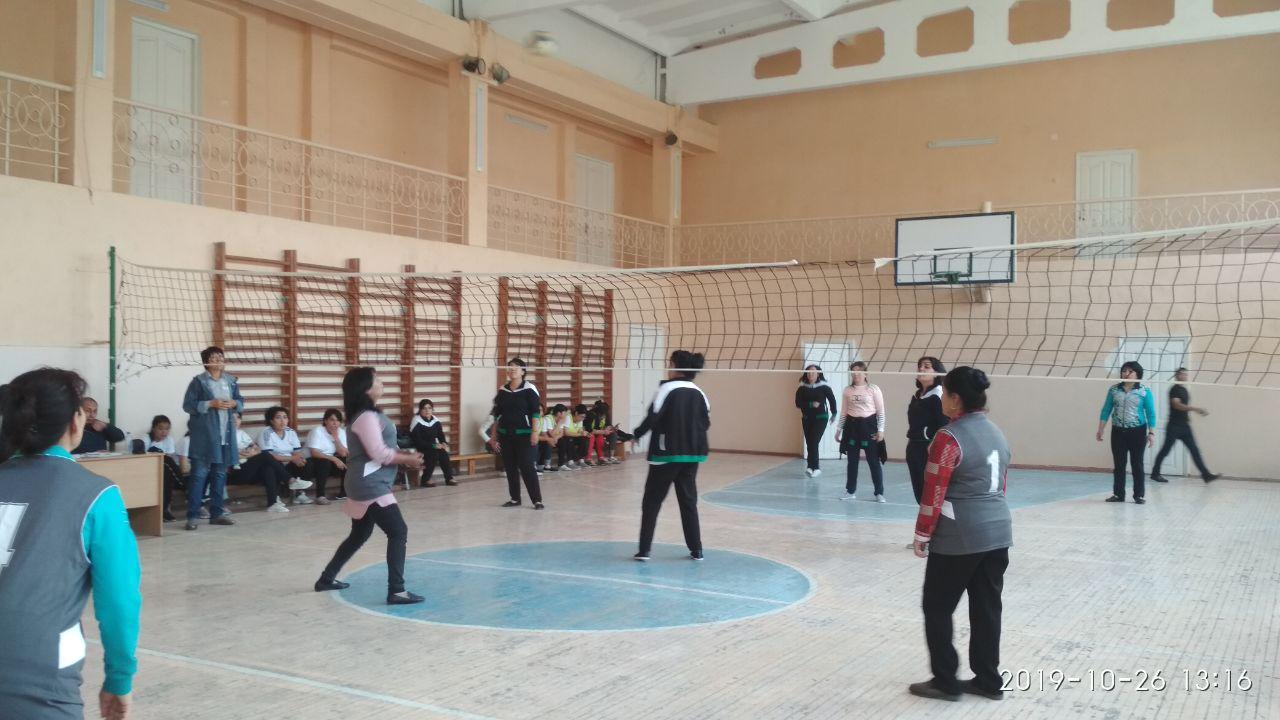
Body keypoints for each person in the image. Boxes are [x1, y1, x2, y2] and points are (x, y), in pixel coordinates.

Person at [0, 368, 142, 719]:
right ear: (75, 421)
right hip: (37, 685)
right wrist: (119, 679)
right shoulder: (96, 495)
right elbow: (119, 601)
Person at [909, 366, 1011, 703]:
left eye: (944, 392)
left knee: (937, 607)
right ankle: (988, 680)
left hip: (960, 536)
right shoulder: (997, 432)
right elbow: (1002, 484)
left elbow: (933, 490)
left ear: (955, 399)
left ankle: (945, 682)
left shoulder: (948, 437)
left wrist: (922, 534)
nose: (941, 398)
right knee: (987, 609)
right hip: (998, 531)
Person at [314, 367, 426, 605]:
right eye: (377, 379)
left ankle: (326, 579)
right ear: (364, 388)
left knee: (359, 534)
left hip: (366, 481)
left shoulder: (368, 415)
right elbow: (378, 453)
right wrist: (405, 459)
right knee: (398, 531)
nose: (381, 382)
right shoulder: (365, 417)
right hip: (370, 484)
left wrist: (404, 457)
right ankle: (397, 590)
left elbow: (383, 448)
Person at [633, 350, 711, 562]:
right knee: (688, 502)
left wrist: (636, 434)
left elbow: (652, 417)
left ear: (676, 366)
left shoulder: (666, 388)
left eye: (670, 364)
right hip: (692, 456)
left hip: (666, 455)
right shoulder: (700, 392)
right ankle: (697, 550)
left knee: (652, 502)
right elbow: (706, 422)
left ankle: (644, 550)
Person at [181, 346, 244, 531]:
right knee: (199, 476)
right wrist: (211, 404)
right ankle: (192, 516)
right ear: (206, 362)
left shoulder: (231, 381)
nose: (218, 361)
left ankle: (217, 514)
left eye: (220, 357)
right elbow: (188, 405)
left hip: (225, 435)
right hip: (205, 437)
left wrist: (234, 403)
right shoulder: (198, 382)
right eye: (214, 358)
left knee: (220, 475)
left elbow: (241, 401)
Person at [1097, 360, 1157, 505]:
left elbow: (1151, 413)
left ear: (1137, 374)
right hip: (1118, 431)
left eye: (1130, 371)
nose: (1126, 373)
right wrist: (1101, 428)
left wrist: (1151, 433)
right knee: (1119, 464)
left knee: (1137, 464)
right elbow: (1106, 410)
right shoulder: (1114, 390)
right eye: (1124, 371)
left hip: (1137, 431)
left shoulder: (1144, 391)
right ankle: (1118, 494)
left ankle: (1139, 495)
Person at [490, 358, 544, 508]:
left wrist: (535, 432)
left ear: (523, 371)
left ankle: (537, 500)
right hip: (505, 435)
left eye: (516, 366)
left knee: (527, 467)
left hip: (524, 435)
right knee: (510, 467)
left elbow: (535, 412)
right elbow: (496, 415)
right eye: (510, 367)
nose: (513, 369)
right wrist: (493, 436)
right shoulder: (503, 390)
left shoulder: (529, 389)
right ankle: (515, 499)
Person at [1150, 367, 1220, 484]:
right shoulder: (1174, 389)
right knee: (1165, 450)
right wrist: (1195, 409)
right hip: (1174, 426)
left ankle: (1206, 475)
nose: (1184, 376)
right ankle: (1155, 473)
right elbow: (1176, 405)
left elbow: (1183, 407)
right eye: (1182, 374)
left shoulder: (1184, 390)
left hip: (1185, 426)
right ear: (1177, 375)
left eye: (1186, 374)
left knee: (1194, 450)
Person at [239, 406, 312, 512]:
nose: (283, 420)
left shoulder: (290, 431)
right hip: (276, 463)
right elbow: (269, 456)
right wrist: (292, 458)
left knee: (306, 463)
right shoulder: (266, 433)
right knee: (271, 466)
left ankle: (299, 494)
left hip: (288, 462)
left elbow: (297, 451)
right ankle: (276, 497)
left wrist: (298, 459)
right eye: (278, 417)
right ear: (271, 420)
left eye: (285, 417)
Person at [835, 361, 886, 502]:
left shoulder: (873, 389)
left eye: (859, 371)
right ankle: (850, 491)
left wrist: (881, 430)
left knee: (873, 461)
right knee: (852, 462)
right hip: (852, 428)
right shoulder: (847, 390)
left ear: (865, 373)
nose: (856, 374)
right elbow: (844, 412)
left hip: (869, 427)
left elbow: (881, 412)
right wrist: (838, 430)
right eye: (853, 371)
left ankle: (879, 493)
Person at [906, 356, 948, 504]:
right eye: (920, 366)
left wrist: (934, 443)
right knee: (920, 493)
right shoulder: (918, 395)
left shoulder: (938, 395)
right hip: (914, 447)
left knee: (931, 493)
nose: (921, 369)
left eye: (926, 366)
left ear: (937, 373)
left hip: (929, 448)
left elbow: (945, 424)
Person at [795, 364, 838, 478]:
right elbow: (798, 403)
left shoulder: (824, 387)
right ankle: (810, 467)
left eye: (813, 372)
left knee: (814, 441)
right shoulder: (802, 387)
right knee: (810, 442)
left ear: (818, 374)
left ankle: (816, 468)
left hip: (821, 418)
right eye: (808, 372)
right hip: (807, 418)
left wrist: (834, 413)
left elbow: (832, 400)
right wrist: (810, 404)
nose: (811, 374)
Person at [306, 408, 350, 504]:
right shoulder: (317, 431)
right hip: (312, 462)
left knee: (347, 460)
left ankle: (343, 492)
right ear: (325, 421)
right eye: (332, 420)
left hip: (329, 461)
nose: (335, 423)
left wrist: (336, 438)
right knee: (325, 462)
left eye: (338, 421)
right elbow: (314, 452)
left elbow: (343, 453)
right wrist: (333, 458)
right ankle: (320, 496)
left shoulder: (340, 432)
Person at [145, 414, 184, 522]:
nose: (164, 432)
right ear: (154, 428)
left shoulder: (169, 440)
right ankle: (184, 486)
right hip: (150, 470)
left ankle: (164, 510)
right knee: (165, 461)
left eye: (167, 429)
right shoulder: (146, 439)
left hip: (165, 471)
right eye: (160, 429)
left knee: (166, 473)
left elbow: (169, 458)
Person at [410, 399, 457, 487]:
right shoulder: (416, 421)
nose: (427, 410)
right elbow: (418, 441)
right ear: (420, 410)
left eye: (429, 408)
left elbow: (440, 435)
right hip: (420, 447)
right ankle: (425, 479)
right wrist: (433, 445)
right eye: (424, 408)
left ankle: (449, 478)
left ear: (432, 409)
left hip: (433, 446)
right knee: (433, 454)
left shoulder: (435, 421)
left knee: (443, 453)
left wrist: (443, 443)